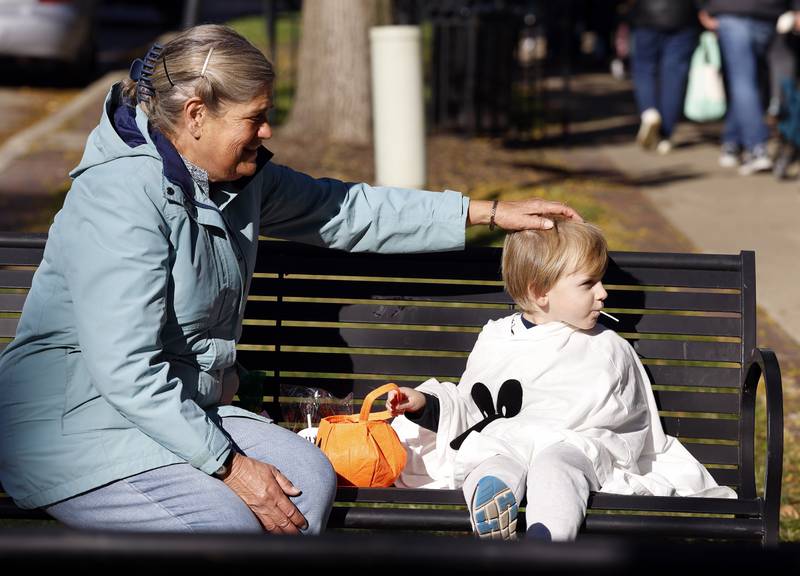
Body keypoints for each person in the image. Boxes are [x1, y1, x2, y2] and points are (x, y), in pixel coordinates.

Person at [0, 25, 583, 535]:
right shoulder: (122, 199)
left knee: (306, 481)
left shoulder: (235, 177)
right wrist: (231, 467)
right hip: (74, 420)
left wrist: (484, 213)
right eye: (254, 117)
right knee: (222, 523)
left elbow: (346, 210)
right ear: (197, 114)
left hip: (176, 407)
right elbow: (125, 369)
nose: (268, 130)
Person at [388, 219, 736, 541]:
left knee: (557, 466)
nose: (603, 293)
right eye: (588, 283)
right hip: (504, 443)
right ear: (541, 292)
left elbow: (623, 419)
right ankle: (493, 504)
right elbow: (471, 403)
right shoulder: (497, 338)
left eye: (600, 281)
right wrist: (424, 404)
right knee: (489, 459)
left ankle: (546, 548)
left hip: (575, 448)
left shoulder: (605, 346)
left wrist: (554, 437)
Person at [698, 0, 800, 174]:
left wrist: (703, 7)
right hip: (767, 12)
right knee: (752, 82)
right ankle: (732, 141)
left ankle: (756, 147)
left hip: (732, 12)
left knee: (743, 82)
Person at [628, 0, 700, 154]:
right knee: (674, 76)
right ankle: (666, 134)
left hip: (647, 16)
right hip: (683, 16)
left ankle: (649, 110)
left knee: (644, 70)